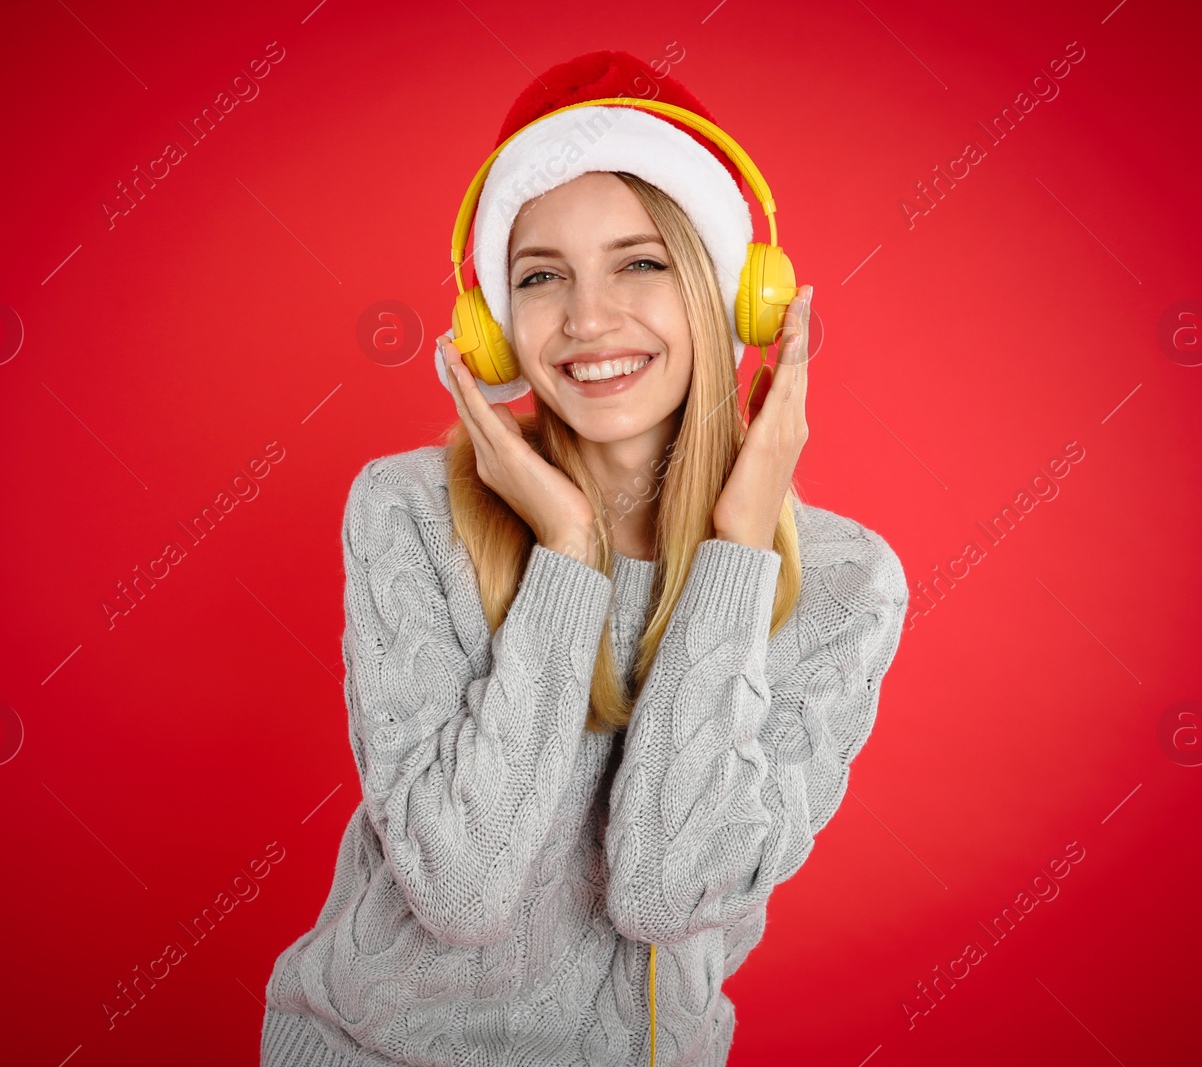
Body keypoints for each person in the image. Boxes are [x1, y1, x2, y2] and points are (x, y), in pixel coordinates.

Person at [262, 50, 908, 1067]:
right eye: (539, 276)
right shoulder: (410, 512)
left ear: (732, 292)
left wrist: (734, 553)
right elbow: (459, 887)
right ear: (494, 327)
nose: (588, 320)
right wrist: (566, 552)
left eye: (640, 260)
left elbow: (665, 886)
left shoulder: (841, 584)